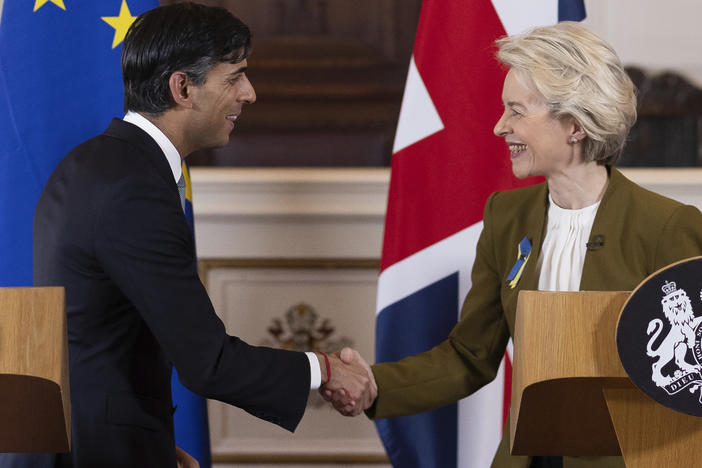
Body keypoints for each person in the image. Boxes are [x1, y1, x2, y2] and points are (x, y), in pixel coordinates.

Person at [10, 3, 375, 468]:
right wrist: (323, 368)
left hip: (78, 442)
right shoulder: (133, 189)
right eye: (235, 77)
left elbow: (90, 335)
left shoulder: (91, 165)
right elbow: (209, 364)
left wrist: (151, 444)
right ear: (182, 87)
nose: (250, 93)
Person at [326, 22, 702, 468]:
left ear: (575, 124)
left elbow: (690, 374)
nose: (499, 126)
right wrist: (375, 384)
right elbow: (470, 356)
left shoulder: (668, 226)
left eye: (517, 111)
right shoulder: (506, 217)